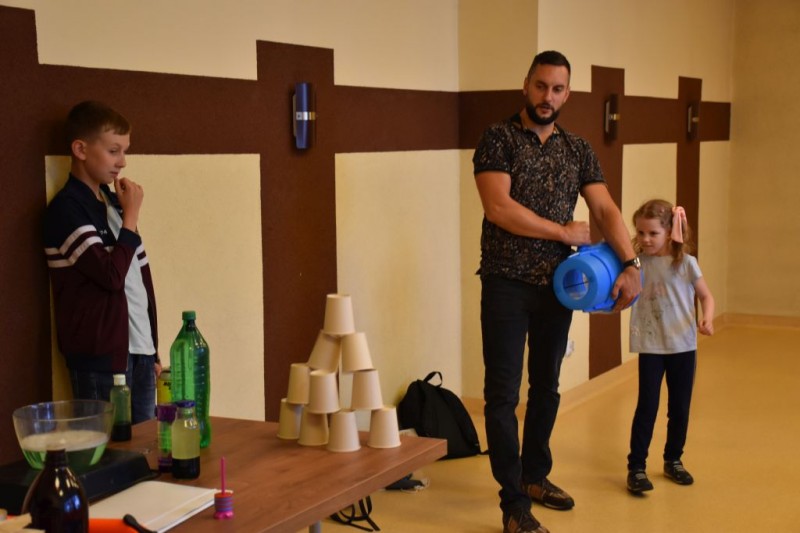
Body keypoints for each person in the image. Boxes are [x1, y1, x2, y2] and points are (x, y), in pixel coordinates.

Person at [473, 50, 642, 533]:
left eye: (558, 89)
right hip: (506, 283)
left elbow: (605, 210)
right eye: (541, 86)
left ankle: (534, 477)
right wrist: (564, 232)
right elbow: (498, 207)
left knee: (546, 386)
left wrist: (631, 264)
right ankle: (513, 505)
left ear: (567, 94)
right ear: (526, 85)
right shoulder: (498, 138)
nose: (548, 96)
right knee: (502, 395)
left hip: (558, 288)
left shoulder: (577, 148)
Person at [44, 100, 160, 424]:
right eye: (113, 151)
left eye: (124, 151)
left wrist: (153, 347)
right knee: (108, 450)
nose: (122, 162)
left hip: (139, 350)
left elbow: (139, 279)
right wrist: (131, 217)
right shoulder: (67, 209)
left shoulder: (113, 203)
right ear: (81, 149)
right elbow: (111, 276)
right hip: (101, 358)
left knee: (146, 447)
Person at [625, 199, 715, 494]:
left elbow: (706, 296)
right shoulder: (637, 264)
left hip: (683, 347)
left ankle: (673, 459)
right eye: (641, 232)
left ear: (669, 231)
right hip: (651, 346)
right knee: (647, 407)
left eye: (653, 233)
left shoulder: (686, 263)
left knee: (679, 408)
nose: (645, 239)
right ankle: (636, 467)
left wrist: (707, 318)